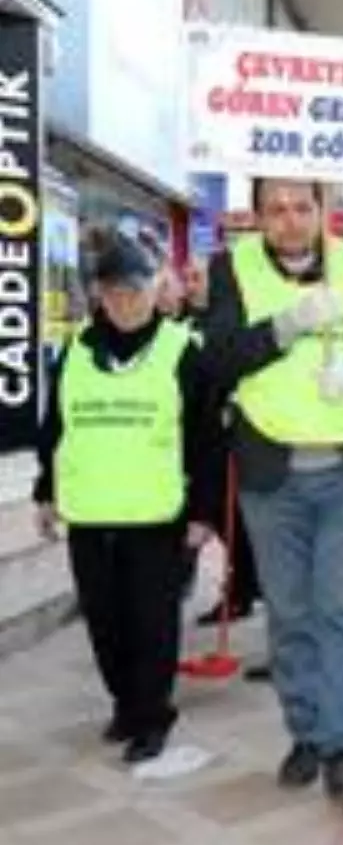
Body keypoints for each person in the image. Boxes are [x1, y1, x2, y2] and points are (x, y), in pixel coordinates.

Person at [201, 178, 343, 812]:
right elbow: (218, 359)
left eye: (302, 208)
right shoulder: (231, 268)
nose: (290, 222)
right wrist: (285, 327)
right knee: (290, 612)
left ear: (321, 212)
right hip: (272, 473)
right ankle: (307, 734)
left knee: (341, 608)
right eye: (275, 210)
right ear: (258, 218)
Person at [32, 233, 222, 763]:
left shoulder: (183, 351)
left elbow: (207, 440)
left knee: (152, 623)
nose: (124, 301)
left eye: (134, 290)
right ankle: (125, 703)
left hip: (156, 515)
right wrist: (46, 493)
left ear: (154, 289)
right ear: (98, 294)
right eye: (112, 291)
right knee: (105, 621)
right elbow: (56, 428)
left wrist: (203, 513)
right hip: (90, 512)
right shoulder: (75, 350)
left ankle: (152, 716)